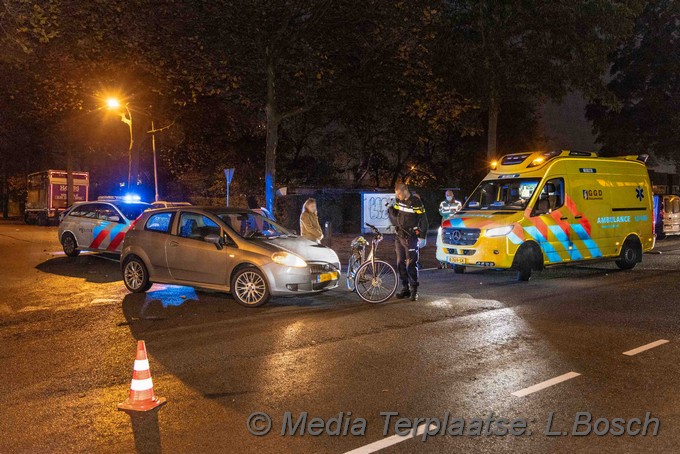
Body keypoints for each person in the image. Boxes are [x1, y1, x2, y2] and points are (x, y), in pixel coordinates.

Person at [388, 183, 428, 301]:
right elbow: (396, 215)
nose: (398, 196)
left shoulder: (415, 202)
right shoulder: (398, 201)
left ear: (405, 191)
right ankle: (405, 288)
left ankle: (414, 290)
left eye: (399, 193)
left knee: (411, 263)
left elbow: (424, 219)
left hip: (411, 236)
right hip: (399, 236)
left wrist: (422, 236)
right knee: (400, 262)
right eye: (397, 194)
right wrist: (390, 208)